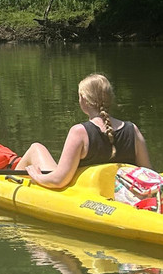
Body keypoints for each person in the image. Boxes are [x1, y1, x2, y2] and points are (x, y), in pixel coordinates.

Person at [13, 73, 151, 188]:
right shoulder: (133, 129)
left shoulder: (79, 132)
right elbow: (149, 174)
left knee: (35, 148)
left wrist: (37, 176)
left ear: (84, 100)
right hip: (118, 192)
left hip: (85, 191)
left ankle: (9, 182)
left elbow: (59, 181)